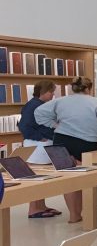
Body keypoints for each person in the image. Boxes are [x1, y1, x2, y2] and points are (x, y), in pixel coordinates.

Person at [35, 76, 97, 224]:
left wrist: (55, 125)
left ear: (72, 88)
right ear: (89, 88)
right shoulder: (96, 103)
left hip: (61, 140)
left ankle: (74, 215)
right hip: (85, 143)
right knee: (84, 178)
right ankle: (84, 214)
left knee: (68, 179)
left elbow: (38, 112)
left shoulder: (60, 101)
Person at [18, 79, 60, 218]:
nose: (53, 95)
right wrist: (40, 137)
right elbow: (24, 126)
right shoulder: (33, 105)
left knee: (42, 178)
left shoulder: (40, 104)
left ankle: (41, 206)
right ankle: (33, 209)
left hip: (43, 145)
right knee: (35, 177)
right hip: (36, 146)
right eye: (51, 92)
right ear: (44, 91)